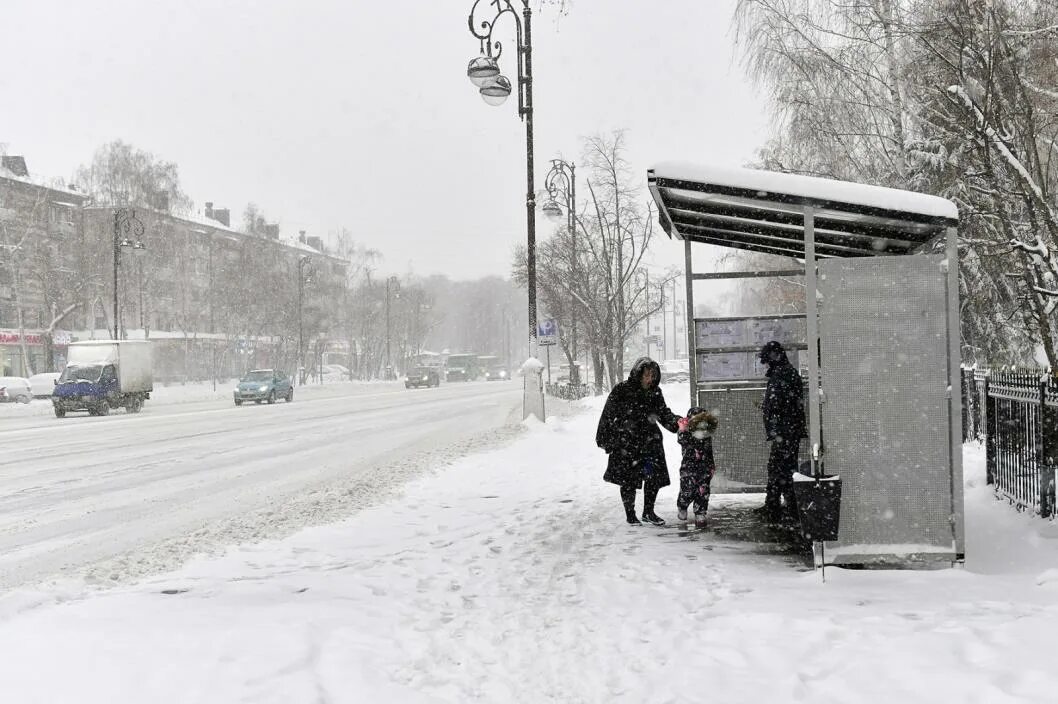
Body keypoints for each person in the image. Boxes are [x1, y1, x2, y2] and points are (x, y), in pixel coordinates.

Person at [595, 357, 680, 525]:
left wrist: (677, 423)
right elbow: (608, 415)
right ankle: (630, 514)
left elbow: (663, 413)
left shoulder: (655, 392)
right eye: (646, 375)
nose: (650, 379)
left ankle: (649, 512)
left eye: (653, 376)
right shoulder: (622, 390)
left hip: (650, 441)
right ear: (638, 374)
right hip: (627, 441)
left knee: (653, 476)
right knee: (628, 479)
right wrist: (606, 439)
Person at [758, 340, 806, 522]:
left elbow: (781, 403)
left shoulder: (783, 374)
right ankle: (779, 506)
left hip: (785, 431)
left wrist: (772, 413)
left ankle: (781, 508)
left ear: (776, 356)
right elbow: (786, 402)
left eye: (768, 359)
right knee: (782, 468)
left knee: (781, 469)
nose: (768, 364)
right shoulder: (784, 373)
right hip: (786, 430)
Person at [676, 407, 718, 528]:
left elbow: (709, 451)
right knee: (687, 489)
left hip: (704, 467)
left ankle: (700, 513)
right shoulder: (685, 432)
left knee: (703, 491)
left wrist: (711, 465)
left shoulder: (706, 434)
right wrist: (683, 429)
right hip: (688, 467)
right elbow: (682, 441)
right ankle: (682, 507)